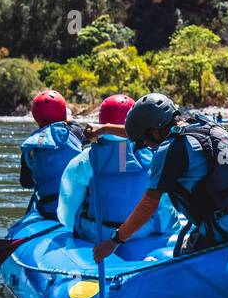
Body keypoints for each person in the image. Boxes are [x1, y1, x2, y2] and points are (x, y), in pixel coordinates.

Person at [91, 93, 228, 263]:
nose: (144, 145)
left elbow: (148, 205)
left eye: (145, 140)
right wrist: (106, 129)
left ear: (155, 131)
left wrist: (115, 240)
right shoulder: (203, 125)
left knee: (180, 263)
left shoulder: (170, 150)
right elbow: (140, 133)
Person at [56, 94, 181, 243]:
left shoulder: (85, 159)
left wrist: (71, 227)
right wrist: (171, 228)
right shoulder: (155, 155)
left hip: (95, 233)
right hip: (145, 230)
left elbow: (69, 200)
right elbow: (164, 204)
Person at [20, 90, 83, 220]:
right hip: (77, 209)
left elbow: (26, 183)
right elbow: (76, 130)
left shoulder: (31, 145)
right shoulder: (75, 132)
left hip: (48, 212)